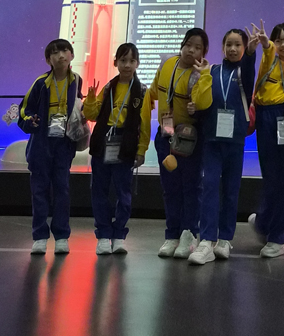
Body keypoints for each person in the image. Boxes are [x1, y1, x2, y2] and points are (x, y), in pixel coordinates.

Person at [137, 28, 212, 259]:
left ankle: (189, 234)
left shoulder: (201, 74)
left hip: (190, 140)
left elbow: (204, 103)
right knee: (170, 188)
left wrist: (204, 77)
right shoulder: (167, 64)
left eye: (197, 48)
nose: (191, 50)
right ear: (182, 45)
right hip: (165, 137)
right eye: (188, 45)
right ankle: (172, 235)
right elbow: (153, 93)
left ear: (204, 52)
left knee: (191, 188)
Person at [189, 27, 260, 265]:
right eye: (229, 44)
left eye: (238, 45)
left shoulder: (244, 72)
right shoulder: (212, 70)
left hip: (235, 139)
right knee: (210, 186)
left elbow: (249, 68)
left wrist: (251, 52)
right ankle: (207, 240)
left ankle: (225, 238)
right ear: (222, 47)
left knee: (231, 190)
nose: (232, 49)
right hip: (212, 139)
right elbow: (202, 100)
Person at [18, 38, 82, 255]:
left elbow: (78, 105)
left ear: (72, 55)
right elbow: (23, 109)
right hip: (41, 143)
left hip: (64, 143)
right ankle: (39, 237)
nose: (60, 55)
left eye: (65, 51)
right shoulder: (40, 83)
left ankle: (62, 236)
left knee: (62, 190)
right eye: (55, 53)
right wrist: (30, 121)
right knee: (39, 191)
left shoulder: (77, 81)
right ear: (48, 60)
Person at [83, 42, 145, 255]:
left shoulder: (141, 91)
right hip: (104, 142)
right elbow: (92, 115)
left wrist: (141, 150)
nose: (127, 65)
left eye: (132, 61)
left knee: (123, 193)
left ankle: (119, 235)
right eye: (123, 60)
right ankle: (103, 235)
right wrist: (91, 98)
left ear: (137, 63)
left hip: (126, 145)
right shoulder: (109, 87)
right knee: (99, 190)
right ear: (115, 62)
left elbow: (144, 124)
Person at [249, 21, 284, 258]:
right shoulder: (269, 60)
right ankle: (264, 221)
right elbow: (268, 50)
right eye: (279, 40)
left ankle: (277, 237)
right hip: (265, 118)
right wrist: (266, 43)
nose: (283, 44)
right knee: (270, 176)